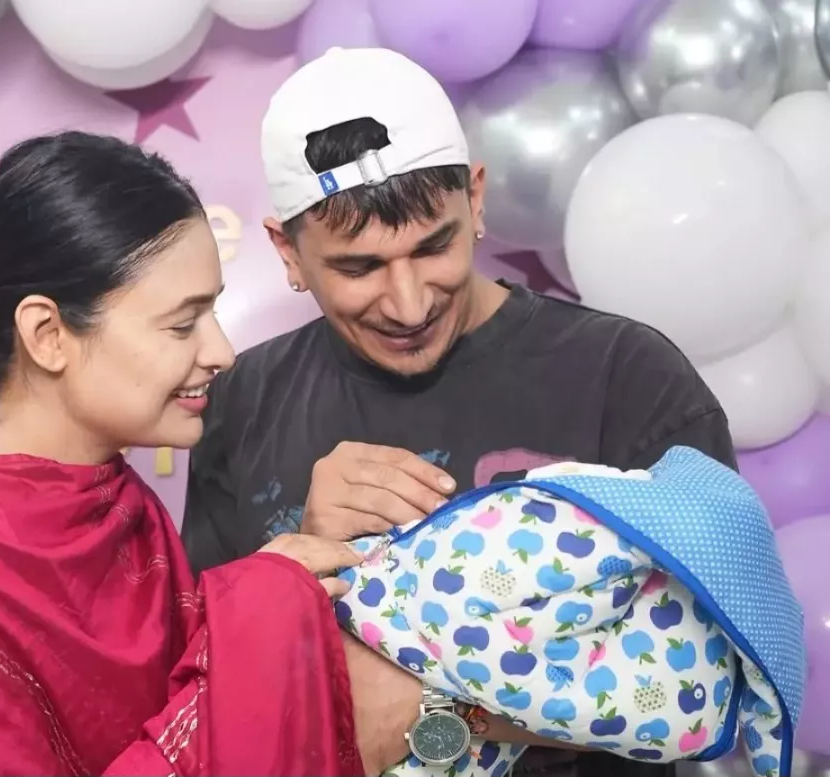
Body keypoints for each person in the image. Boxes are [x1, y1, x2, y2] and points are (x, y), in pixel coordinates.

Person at [181, 48, 737, 777]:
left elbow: (711, 683)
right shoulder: (242, 399)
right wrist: (296, 570)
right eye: (359, 267)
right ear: (288, 251)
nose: (409, 303)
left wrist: (434, 711)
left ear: (474, 201)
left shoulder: (627, 376)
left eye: (433, 246)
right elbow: (208, 685)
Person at [0, 131, 423, 777]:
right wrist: (262, 611)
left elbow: (173, 701)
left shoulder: (115, 500)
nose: (221, 351)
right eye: (183, 323)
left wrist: (289, 587)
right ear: (48, 334)